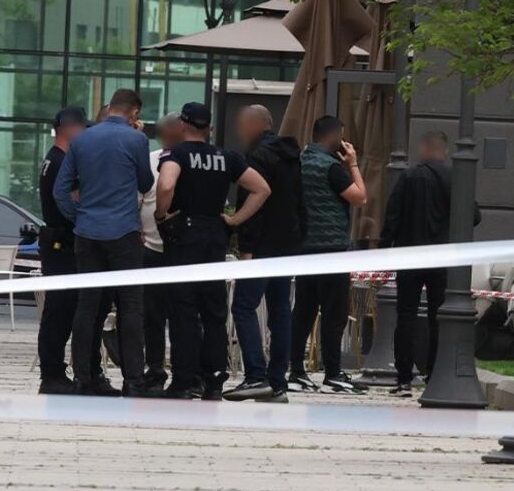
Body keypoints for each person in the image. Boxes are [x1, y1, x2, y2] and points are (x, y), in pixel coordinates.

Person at [154, 102, 270, 400]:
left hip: (184, 236)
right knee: (214, 312)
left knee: (183, 311)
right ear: (210, 128)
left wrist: (161, 214)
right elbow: (262, 189)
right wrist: (235, 220)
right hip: (215, 237)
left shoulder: (176, 154)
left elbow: (166, 185)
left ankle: (185, 381)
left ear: (183, 124)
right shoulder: (226, 156)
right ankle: (214, 380)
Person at [54, 89, 157, 397]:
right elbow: (146, 183)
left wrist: (79, 217)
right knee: (131, 306)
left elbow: (61, 190)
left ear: (110, 107)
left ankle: (82, 377)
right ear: (134, 113)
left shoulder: (82, 139)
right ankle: (133, 380)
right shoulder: (136, 140)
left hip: (87, 234)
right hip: (124, 233)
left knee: (87, 306)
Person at [381, 131, 478, 396]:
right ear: (444, 151)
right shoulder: (454, 178)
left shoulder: (408, 177)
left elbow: (392, 216)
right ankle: (434, 374)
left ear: (424, 149)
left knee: (406, 315)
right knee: (439, 316)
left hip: (409, 257)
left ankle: (403, 377)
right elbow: (474, 216)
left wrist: (384, 250)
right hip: (442, 258)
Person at [225, 105, 304, 402]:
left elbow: (252, 204)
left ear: (254, 125)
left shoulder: (257, 157)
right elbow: (300, 202)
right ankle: (277, 382)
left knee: (243, 307)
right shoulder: (292, 156)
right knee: (280, 310)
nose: (239, 132)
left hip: (262, 247)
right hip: (287, 246)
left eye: (242, 125)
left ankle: (256, 375)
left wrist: (246, 246)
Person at [36, 106, 115, 395]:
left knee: (67, 309)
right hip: (62, 243)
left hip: (60, 241)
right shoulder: (60, 162)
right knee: (60, 310)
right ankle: (52, 374)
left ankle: (70, 372)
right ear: (69, 128)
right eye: (83, 128)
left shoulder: (54, 158)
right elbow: (69, 199)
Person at [288, 115, 369, 395]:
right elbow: (360, 197)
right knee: (334, 315)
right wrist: (353, 164)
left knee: (303, 312)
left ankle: (296, 372)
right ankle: (333, 374)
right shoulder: (332, 167)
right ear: (334, 137)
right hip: (333, 250)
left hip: (305, 250)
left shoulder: (301, 161)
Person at [139, 112, 184, 389]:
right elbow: (137, 198)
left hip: (182, 253)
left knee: (182, 316)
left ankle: (184, 372)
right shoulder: (150, 160)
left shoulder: (190, 160)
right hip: (152, 248)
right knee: (153, 316)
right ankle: (155, 369)